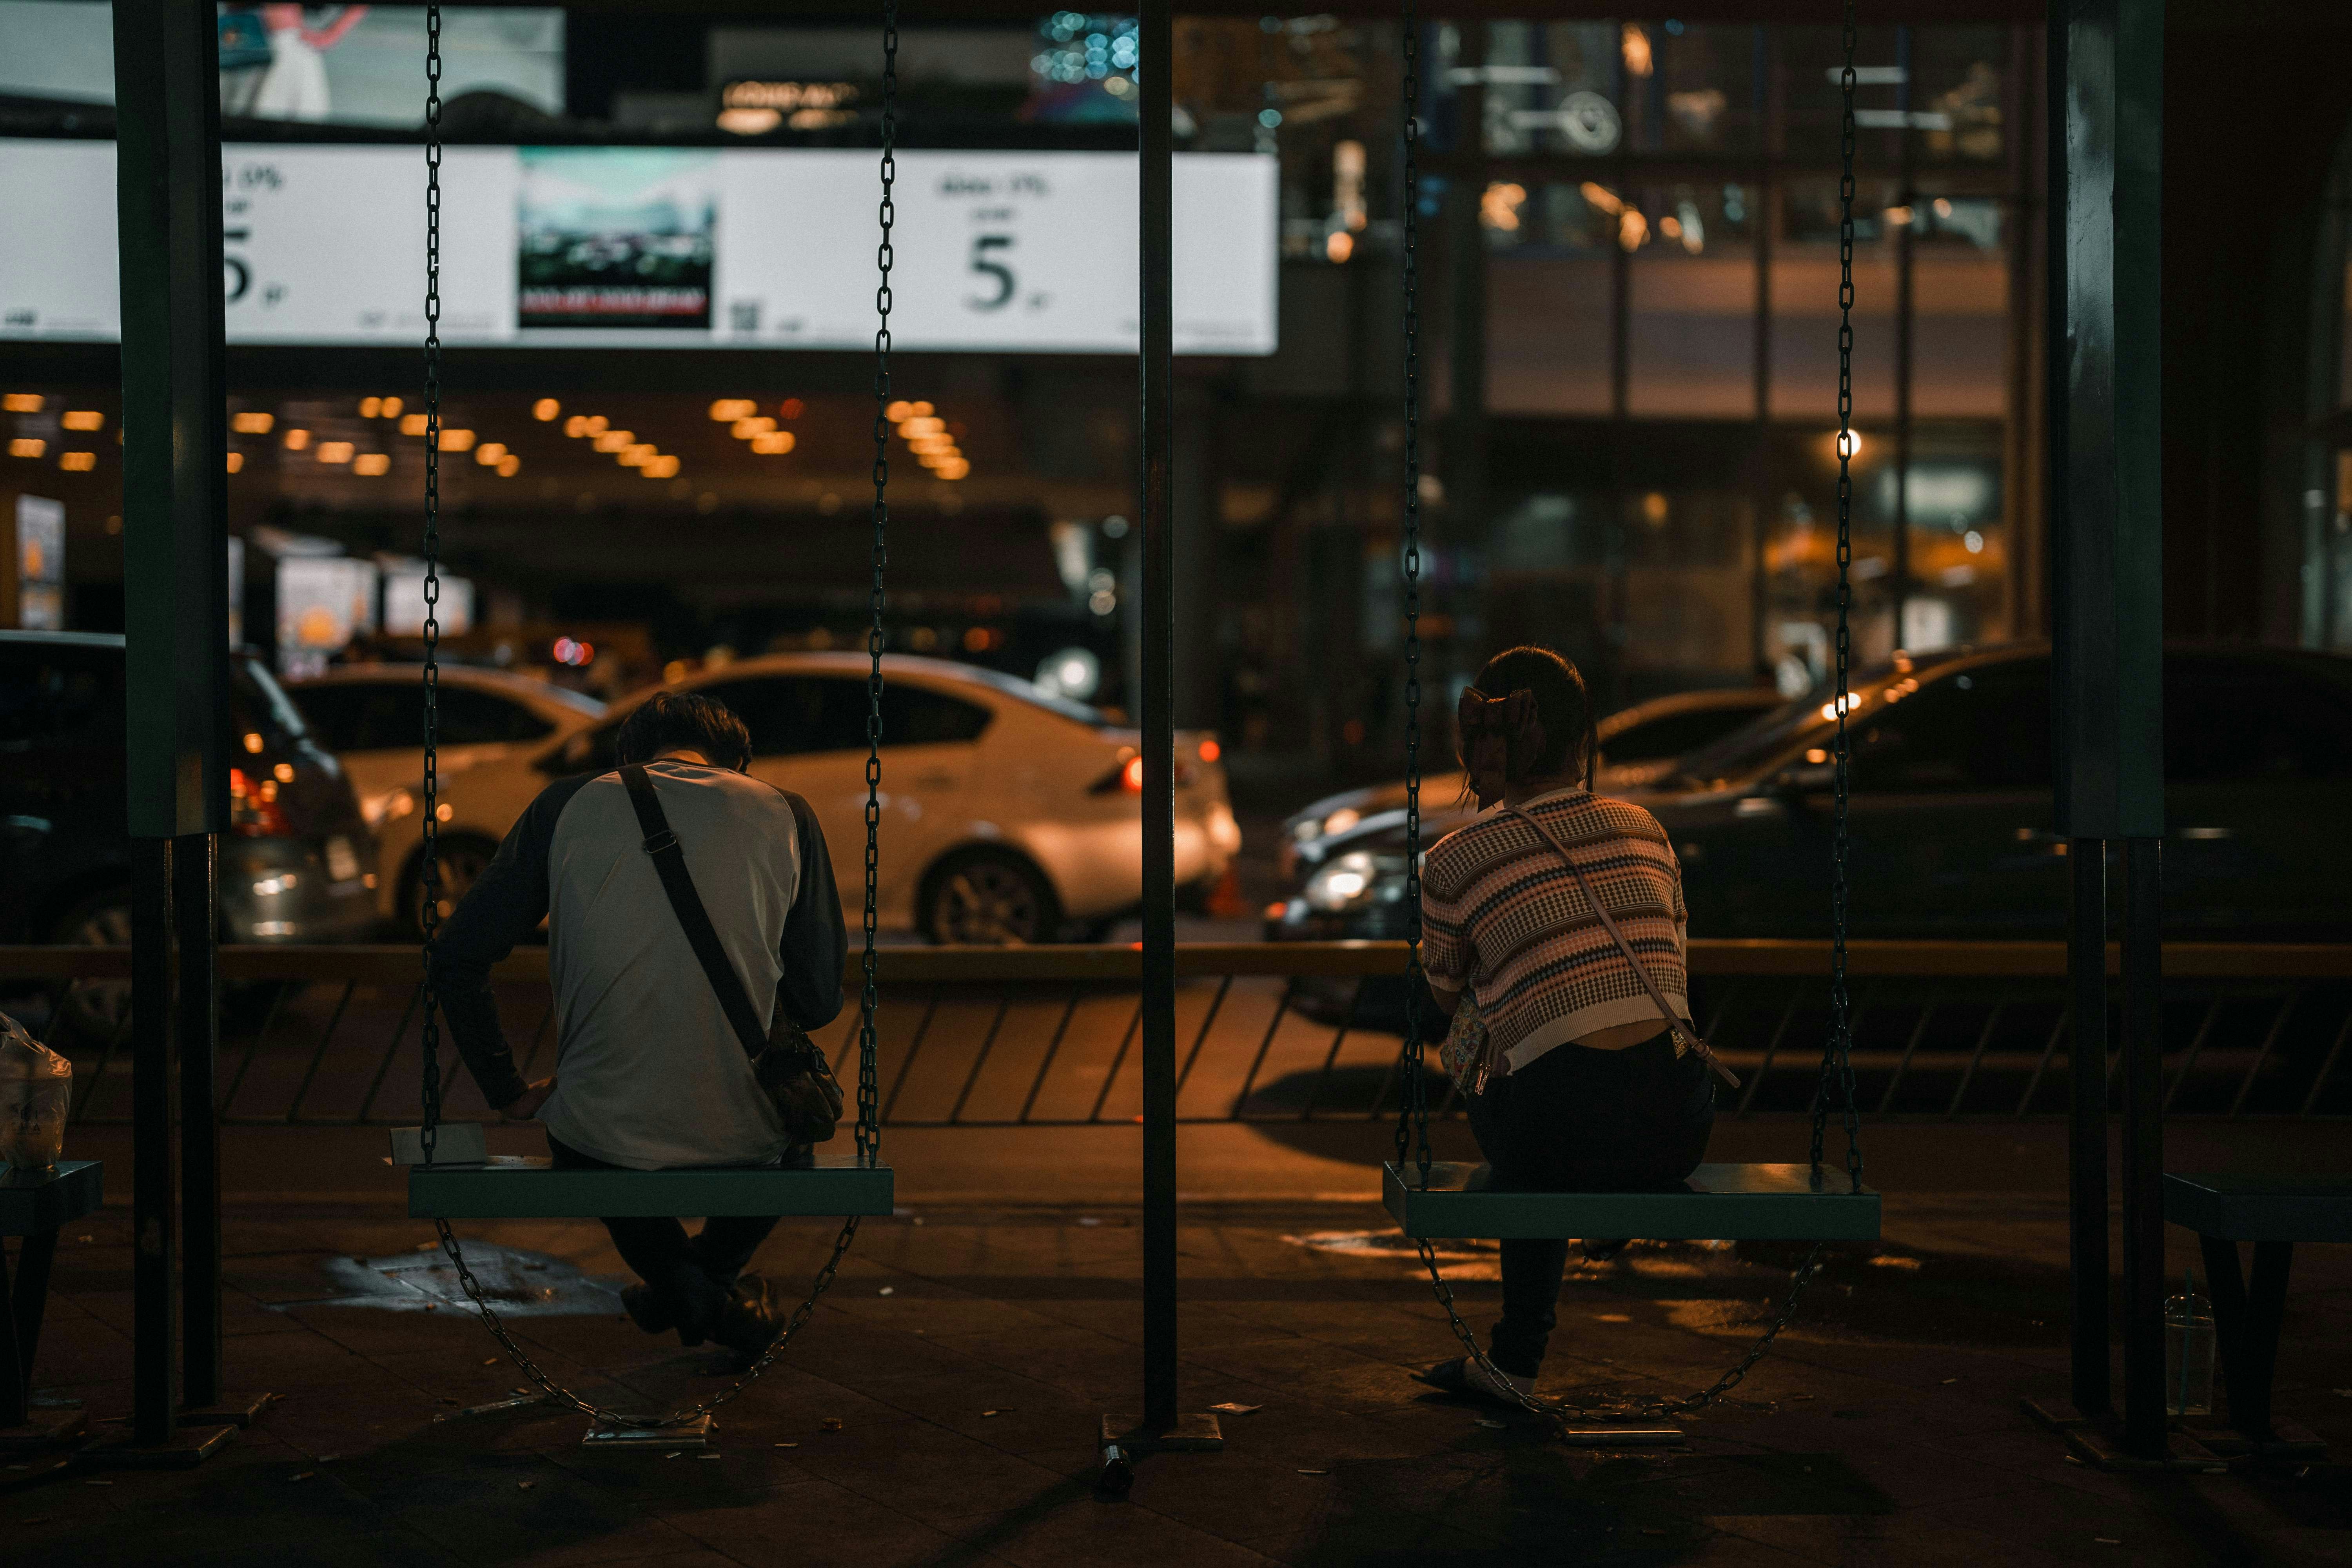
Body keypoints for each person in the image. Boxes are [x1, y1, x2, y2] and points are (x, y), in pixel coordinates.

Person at [436, 691, 847, 1366]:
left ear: (626, 760)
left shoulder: (565, 805)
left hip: (598, 1132)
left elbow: (458, 956)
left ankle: (686, 1292)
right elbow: (819, 997)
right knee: (790, 1146)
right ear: (738, 764)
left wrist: (505, 1087)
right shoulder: (786, 813)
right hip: (748, 1133)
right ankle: (712, 1294)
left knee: (596, 1145)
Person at [1414, 647, 1717, 1407]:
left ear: (1484, 740)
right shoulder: (1644, 827)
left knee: (1490, 1036)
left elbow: (1442, 1003)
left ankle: (1517, 1356)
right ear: (1581, 742)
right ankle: (1607, 1210)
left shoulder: (1455, 856)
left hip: (1548, 1132)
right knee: (1612, 1015)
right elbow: (1673, 958)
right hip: (1671, 1124)